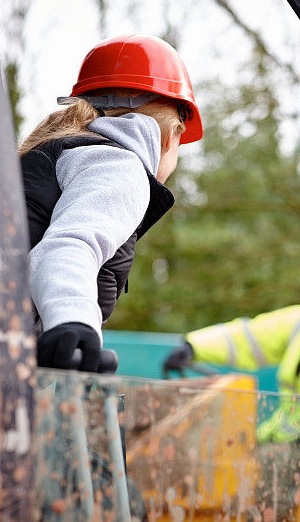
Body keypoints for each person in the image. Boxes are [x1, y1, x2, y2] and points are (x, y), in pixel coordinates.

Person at [19, 34, 202, 373]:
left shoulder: (54, 154)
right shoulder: (118, 165)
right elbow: (69, 245)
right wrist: (73, 323)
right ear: (173, 133)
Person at [163, 252, 300, 516]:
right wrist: (194, 345)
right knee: (225, 456)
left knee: (266, 469)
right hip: (284, 437)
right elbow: (249, 337)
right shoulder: (299, 322)